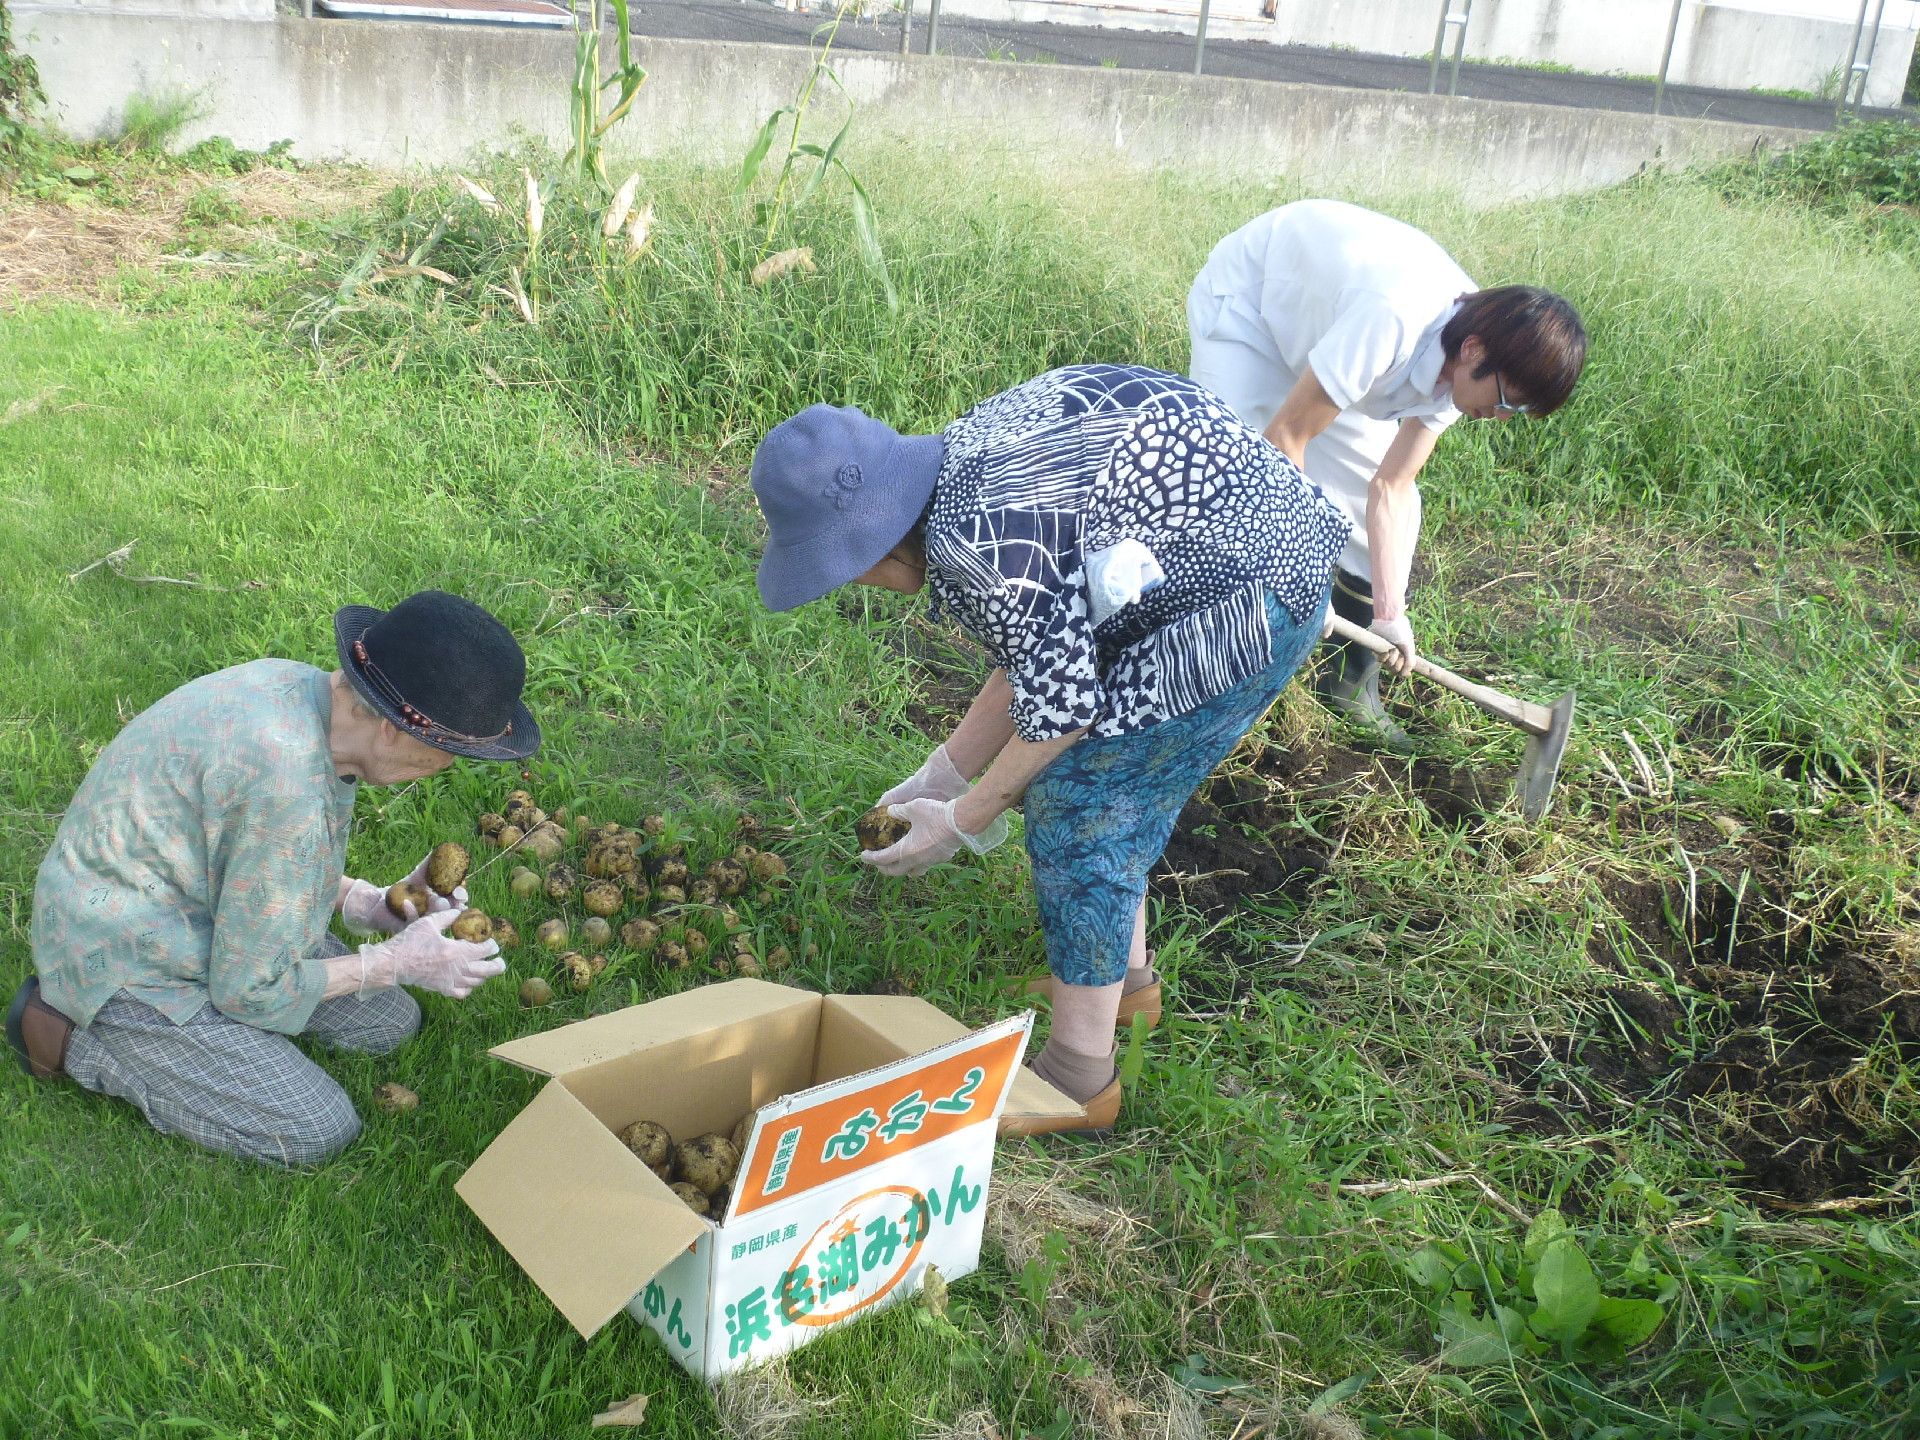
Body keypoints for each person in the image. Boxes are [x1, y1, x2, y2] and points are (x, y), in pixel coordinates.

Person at [750, 365, 1351, 1135]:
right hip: (1242, 543)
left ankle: (1079, 1078)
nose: (853, 583)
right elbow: (1041, 651)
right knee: (1108, 792)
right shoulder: (962, 466)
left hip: (1247, 593)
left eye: (841, 568)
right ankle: (1125, 985)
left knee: (1085, 803)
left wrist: (963, 818)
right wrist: (946, 769)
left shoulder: (973, 545)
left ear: (870, 544)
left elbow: (1059, 713)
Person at [5, 591, 539, 1166]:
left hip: (196, 903)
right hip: (122, 949)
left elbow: (250, 855)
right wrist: (393, 962)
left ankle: (214, 1046)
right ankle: (75, 1037)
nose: (446, 766)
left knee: (388, 1022)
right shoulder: (286, 788)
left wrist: (367, 903)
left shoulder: (304, 693)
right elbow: (250, 991)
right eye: (446, 750)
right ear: (392, 731)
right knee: (312, 1127)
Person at [1188, 198, 1586, 751]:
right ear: (1474, 351)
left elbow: (1392, 485)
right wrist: (1298, 572)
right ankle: (1202, 670)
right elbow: (1289, 437)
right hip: (1255, 310)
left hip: (1340, 333)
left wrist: (1390, 612)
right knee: (1234, 477)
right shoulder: (1394, 317)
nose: (1500, 419)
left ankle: (1350, 686)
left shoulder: (1467, 360)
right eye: (1505, 403)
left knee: (1366, 506)